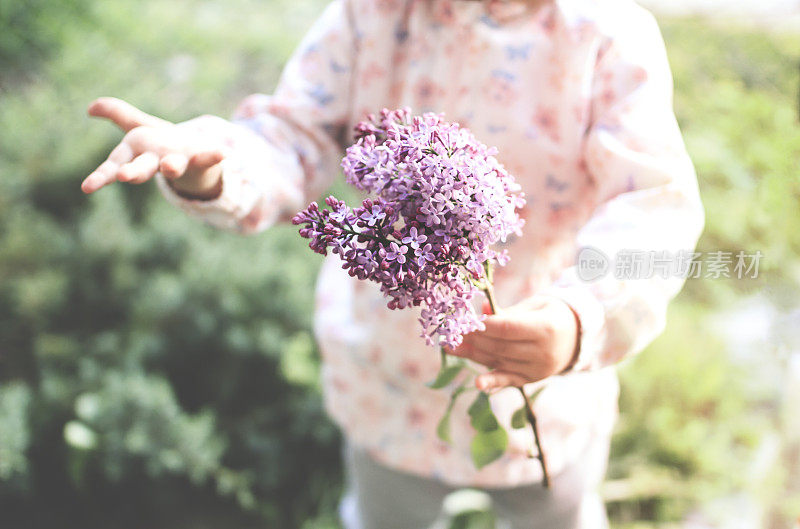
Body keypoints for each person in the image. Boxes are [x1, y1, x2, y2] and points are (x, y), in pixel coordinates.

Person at [81, 0, 705, 526]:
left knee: (557, 510)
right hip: (386, 383)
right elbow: (294, 137)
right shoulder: (370, 17)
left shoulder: (607, 35)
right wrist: (216, 162)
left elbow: (652, 204)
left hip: (546, 386)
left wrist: (582, 316)